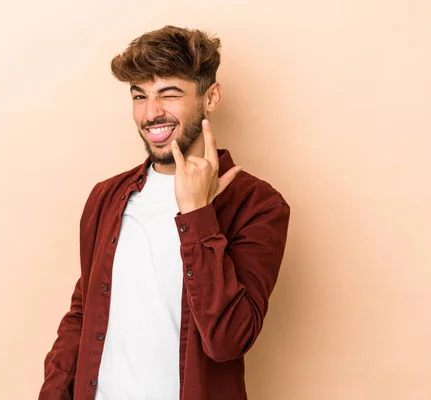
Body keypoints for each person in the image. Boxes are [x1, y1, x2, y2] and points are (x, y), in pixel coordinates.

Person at [39, 25, 290, 400]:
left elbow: (228, 341)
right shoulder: (106, 197)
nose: (151, 113)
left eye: (169, 94)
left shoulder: (258, 205)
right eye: (139, 96)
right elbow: (82, 312)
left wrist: (197, 215)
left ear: (211, 97)